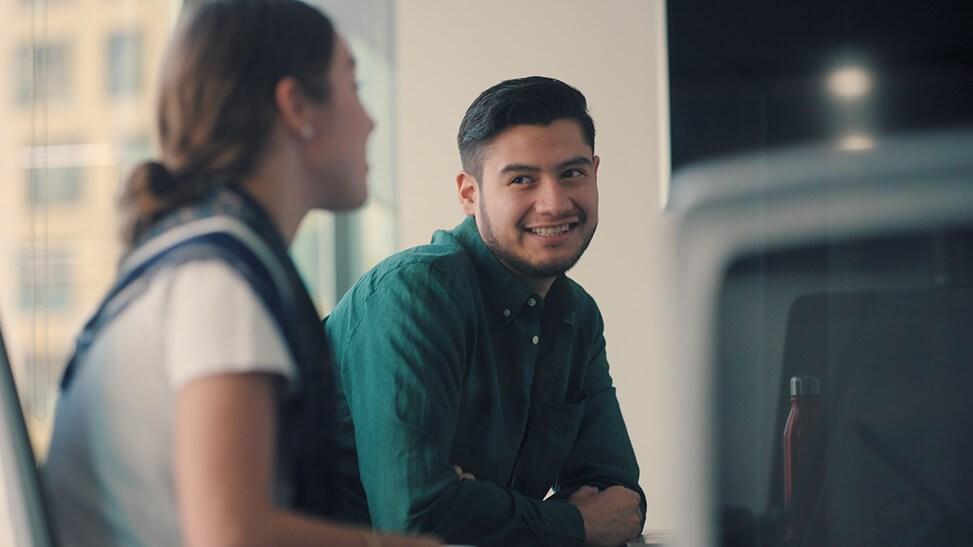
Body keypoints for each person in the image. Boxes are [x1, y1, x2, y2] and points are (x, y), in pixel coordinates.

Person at [42, 1, 438, 546]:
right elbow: (232, 536)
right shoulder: (218, 286)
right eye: (355, 85)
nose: (371, 120)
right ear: (297, 106)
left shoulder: (193, 262)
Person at [326, 76, 645, 547]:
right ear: (469, 193)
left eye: (572, 173)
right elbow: (416, 518)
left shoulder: (577, 314)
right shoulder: (413, 295)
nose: (554, 202)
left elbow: (618, 500)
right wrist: (575, 525)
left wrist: (476, 506)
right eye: (522, 179)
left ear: (596, 173)